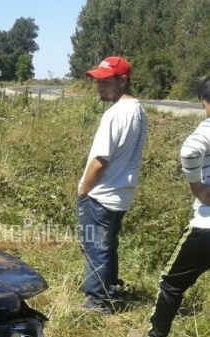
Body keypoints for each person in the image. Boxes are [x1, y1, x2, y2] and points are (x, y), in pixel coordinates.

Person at [127, 76, 210, 337]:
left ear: (204, 103)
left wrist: (197, 188)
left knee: (171, 283)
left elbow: (189, 151)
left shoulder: (207, 128)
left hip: (206, 228)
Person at [77, 56, 148, 314]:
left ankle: (97, 303)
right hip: (121, 193)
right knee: (108, 246)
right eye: (98, 81)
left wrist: (84, 191)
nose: (100, 86)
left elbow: (100, 161)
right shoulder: (139, 110)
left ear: (123, 80)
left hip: (102, 194)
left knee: (95, 248)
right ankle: (110, 289)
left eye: (106, 81)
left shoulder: (115, 114)